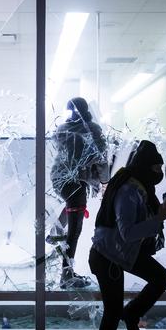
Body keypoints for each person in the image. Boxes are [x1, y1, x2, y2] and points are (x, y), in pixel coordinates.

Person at [89, 140, 166, 330]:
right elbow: (127, 232)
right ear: (144, 167)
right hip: (108, 256)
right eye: (155, 169)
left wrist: (161, 213)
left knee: (160, 278)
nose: (159, 174)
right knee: (112, 310)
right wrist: (159, 217)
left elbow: (140, 225)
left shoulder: (139, 187)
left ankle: (131, 313)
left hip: (120, 253)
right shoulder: (129, 190)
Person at [49, 97, 108, 289]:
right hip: (76, 182)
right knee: (75, 231)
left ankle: (55, 231)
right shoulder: (93, 130)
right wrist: (104, 181)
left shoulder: (61, 129)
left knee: (73, 213)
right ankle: (66, 275)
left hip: (59, 179)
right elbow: (100, 158)